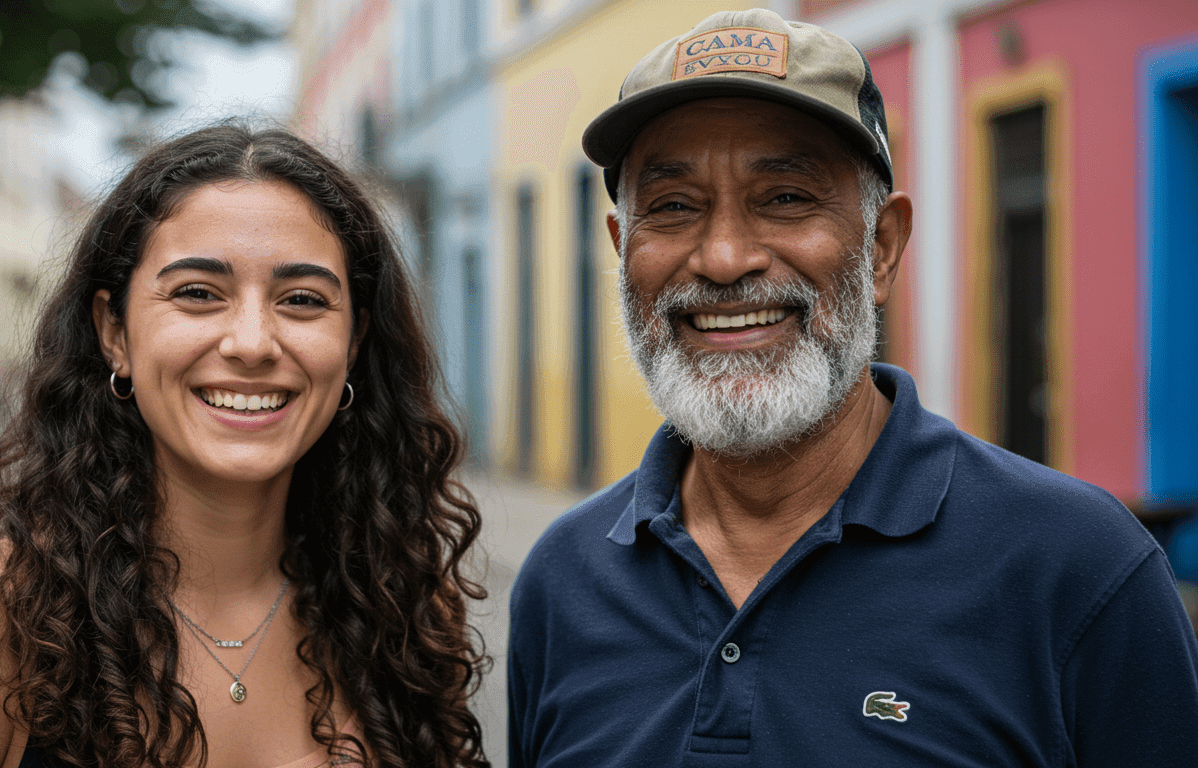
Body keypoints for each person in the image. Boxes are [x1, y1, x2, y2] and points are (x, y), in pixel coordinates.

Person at [507, 9, 1198, 766]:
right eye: (673, 207)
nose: (725, 257)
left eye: (787, 197)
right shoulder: (561, 586)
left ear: (881, 248)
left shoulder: (1081, 573)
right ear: (621, 250)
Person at [0, 125, 490, 768]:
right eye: (198, 293)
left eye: (302, 299)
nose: (252, 342)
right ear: (114, 332)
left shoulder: (402, 613)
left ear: (352, 344)